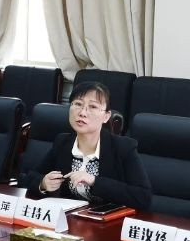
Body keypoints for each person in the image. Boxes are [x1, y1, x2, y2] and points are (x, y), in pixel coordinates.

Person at [20, 81, 152, 210]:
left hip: (108, 221)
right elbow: (28, 178)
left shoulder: (123, 148)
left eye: (93, 107)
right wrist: (43, 183)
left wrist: (94, 181)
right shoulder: (63, 142)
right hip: (69, 218)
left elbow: (143, 197)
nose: (82, 112)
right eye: (78, 104)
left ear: (106, 116)